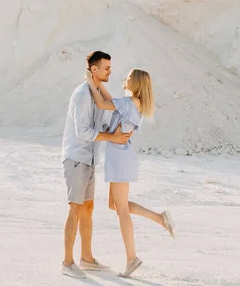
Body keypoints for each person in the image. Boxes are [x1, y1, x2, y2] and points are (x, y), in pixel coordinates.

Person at [85, 67, 176, 278]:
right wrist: (99, 85)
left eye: (127, 78)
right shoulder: (134, 104)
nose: (124, 80)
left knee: (122, 210)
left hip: (119, 157)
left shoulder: (128, 103)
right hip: (121, 155)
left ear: (134, 83)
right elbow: (109, 99)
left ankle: (131, 258)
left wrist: (91, 82)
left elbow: (101, 103)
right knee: (115, 205)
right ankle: (159, 218)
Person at [61, 51, 133, 278]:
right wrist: (111, 137)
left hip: (90, 159)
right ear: (94, 69)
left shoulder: (95, 93)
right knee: (75, 207)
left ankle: (87, 258)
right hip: (76, 158)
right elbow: (82, 132)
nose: (110, 71)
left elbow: (108, 106)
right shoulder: (82, 94)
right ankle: (67, 262)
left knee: (88, 207)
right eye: (106, 68)